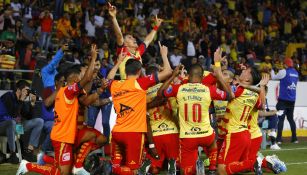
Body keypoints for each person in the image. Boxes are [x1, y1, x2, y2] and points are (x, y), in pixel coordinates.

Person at [17, 45, 98, 175]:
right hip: (62, 137)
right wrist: (93, 58)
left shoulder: (65, 91)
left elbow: (87, 89)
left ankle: (42, 159)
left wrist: (97, 85)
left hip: (63, 135)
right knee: (62, 172)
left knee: (67, 170)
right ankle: (28, 166)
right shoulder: (68, 91)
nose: (82, 78)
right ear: (75, 79)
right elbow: (86, 79)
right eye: (80, 76)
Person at [157, 48, 233, 175]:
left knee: (185, 171)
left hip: (187, 137)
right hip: (206, 135)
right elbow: (229, 96)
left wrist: (173, 76)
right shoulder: (208, 89)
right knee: (213, 145)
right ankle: (212, 168)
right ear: (202, 76)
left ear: (189, 75)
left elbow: (160, 93)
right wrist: (219, 75)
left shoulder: (179, 88)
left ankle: (192, 170)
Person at [107, 43, 172, 175]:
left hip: (117, 132)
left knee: (118, 166)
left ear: (125, 71)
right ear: (138, 72)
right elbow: (168, 72)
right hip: (133, 133)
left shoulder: (115, 85)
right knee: (134, 170)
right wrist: (164, 55)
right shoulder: (140, 83)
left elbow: (108, 79)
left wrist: (118, 62)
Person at [217, 65, 262, 175]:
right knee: (235, 168)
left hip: (234, 134)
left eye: (247, 71)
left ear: (247, 79)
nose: (244, 70)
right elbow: (260, 105)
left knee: (222, 170)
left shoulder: (239, 90)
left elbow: (225, 88)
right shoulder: (255, 95)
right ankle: (251, 163)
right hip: (245, 134)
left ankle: (253, 163)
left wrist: (217, 64)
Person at [108, 2, 163, 79]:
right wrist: (113, 18)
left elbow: (147, 40)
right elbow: (119, 36)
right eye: (130, 38)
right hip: (126, 86)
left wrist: (156, 27)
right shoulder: (123, 51)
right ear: (125, 44)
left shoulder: (138, 52)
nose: (134, 39)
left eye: (133, 37)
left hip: (138, 86)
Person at [145, 66, 179, 175]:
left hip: (155, 133)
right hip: (172, 131)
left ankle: (150, 167)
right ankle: (173, 164)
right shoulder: (170, 87)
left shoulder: (143, 93)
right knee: (178, 162)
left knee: (154, 167)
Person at [0, 80, 31, 164]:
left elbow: (27, 116)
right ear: (18, 90)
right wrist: (21, 101)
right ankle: (13, 153)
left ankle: (24, 153)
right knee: (12, 122)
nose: (27, 93)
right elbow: (13, 115)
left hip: (12, 126)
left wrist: (32, 104)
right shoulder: (8, 96)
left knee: (24, 125)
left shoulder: (21, 99)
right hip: (2, 124)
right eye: (25, 90)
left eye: (28, 91)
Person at [271, 58, 299, 144]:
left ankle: (279, 139)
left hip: (283, 100)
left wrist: (272, 70)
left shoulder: (283, 71)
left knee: (281, 119)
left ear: (286, 64)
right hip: (292, 100)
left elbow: (273, 77)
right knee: (291, 119)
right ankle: (294, 138)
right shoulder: (296, 73)